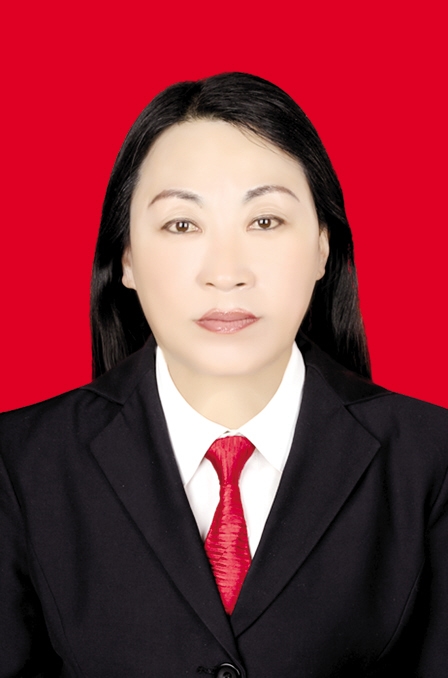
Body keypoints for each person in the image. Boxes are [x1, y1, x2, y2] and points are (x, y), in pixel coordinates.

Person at [0, 72, 447, 678]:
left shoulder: (431, 462)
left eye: (265, 221)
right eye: (182, 225)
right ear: (126, 257)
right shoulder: (21, 465)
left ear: (323, 245)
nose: (226, 272)